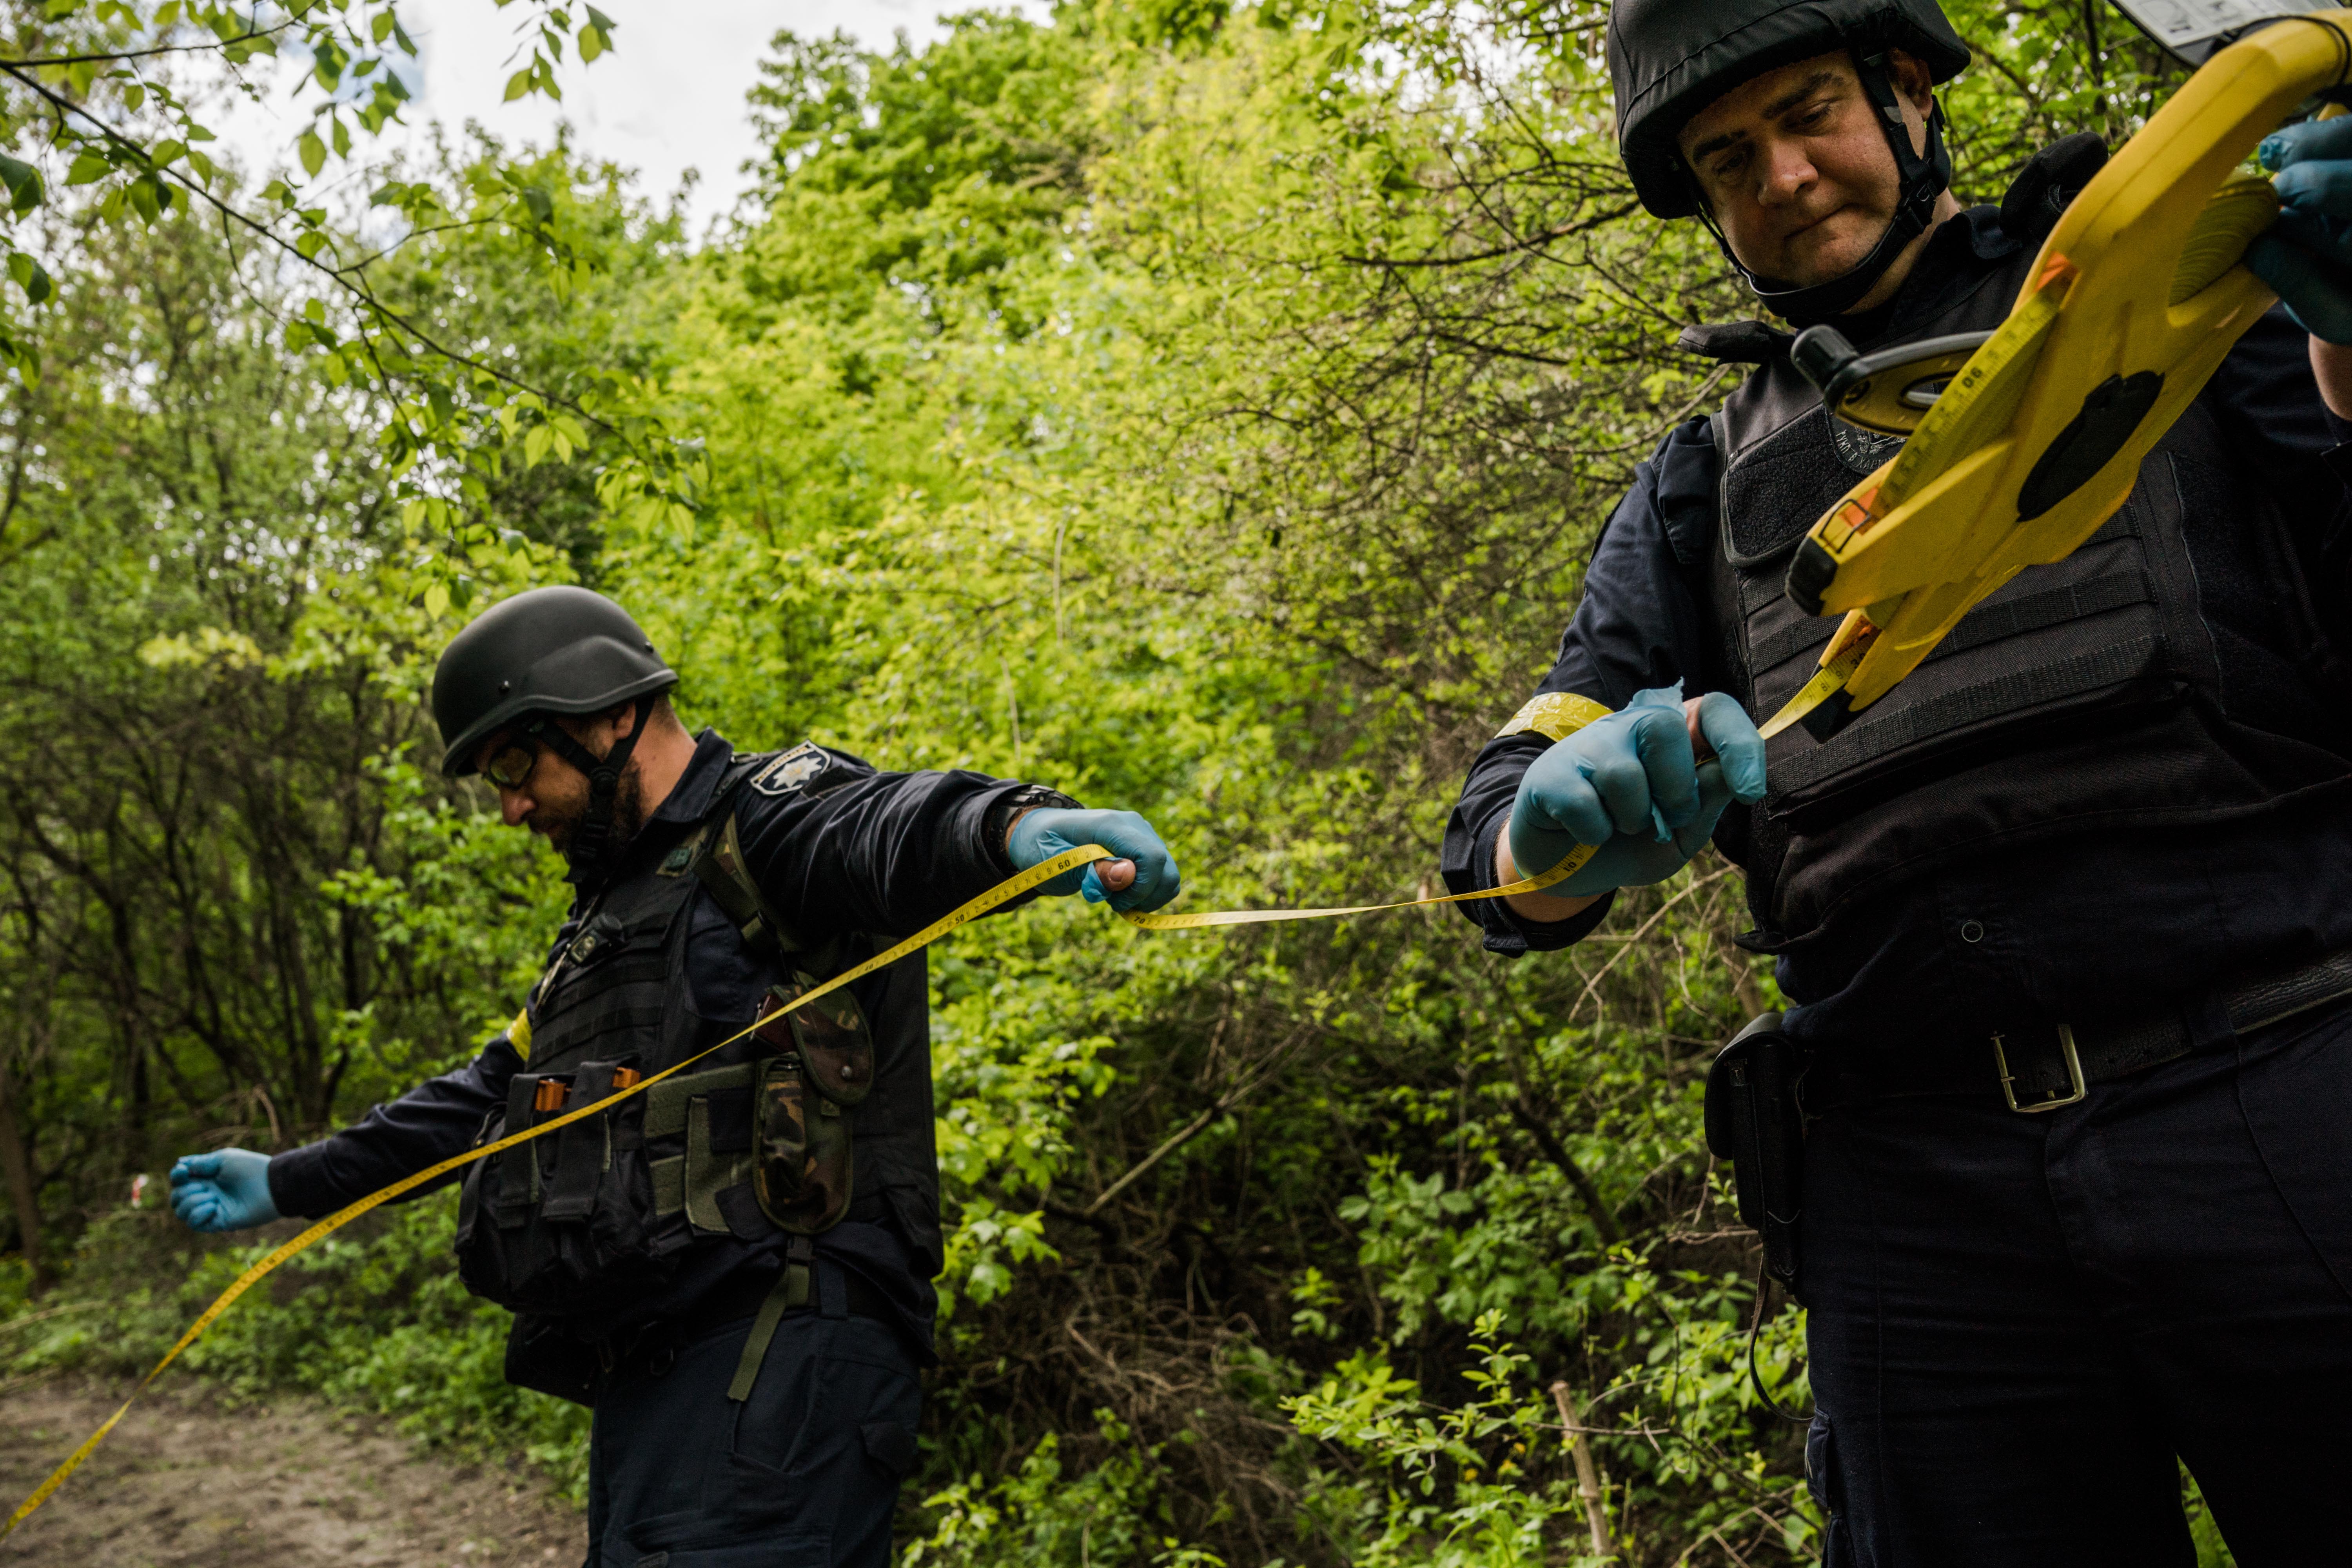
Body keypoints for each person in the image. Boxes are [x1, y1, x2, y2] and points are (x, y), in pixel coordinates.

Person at [1441, 2, 2352, 1562]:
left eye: (1811, 116)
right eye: (1730, 161)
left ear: (1909, 91)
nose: (1785, 178)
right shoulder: (1695, 484)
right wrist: (1553, 822)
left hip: (2281, 1083)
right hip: (1918, 1197)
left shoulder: (2195, 299)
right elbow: (1497, 846)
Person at [167, 584, 1181, 1567]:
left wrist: (1012, 832)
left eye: (517, 764)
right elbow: (486, 1098)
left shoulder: (768, 821)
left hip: (781, 1362)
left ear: (607, 713)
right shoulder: (599, 930)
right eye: (494, 783)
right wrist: (291, 1180)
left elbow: (883, 827)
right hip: (652, 1376)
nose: (513, 807)